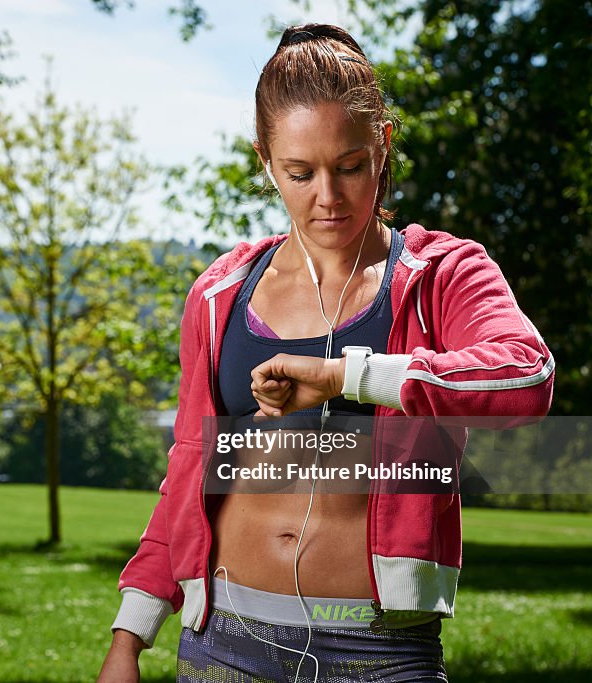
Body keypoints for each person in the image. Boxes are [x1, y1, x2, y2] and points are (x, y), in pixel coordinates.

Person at [97, 23, 555, 683]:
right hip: (223, 641)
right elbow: (191, 472)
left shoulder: (442, 275)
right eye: (299, 172)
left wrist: (347, 376)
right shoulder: (219, 294)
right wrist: (129, 634)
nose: (328, 198)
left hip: (381, 651)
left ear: (383, 145)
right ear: (265, 159)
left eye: (349, 166)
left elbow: (527, 375)